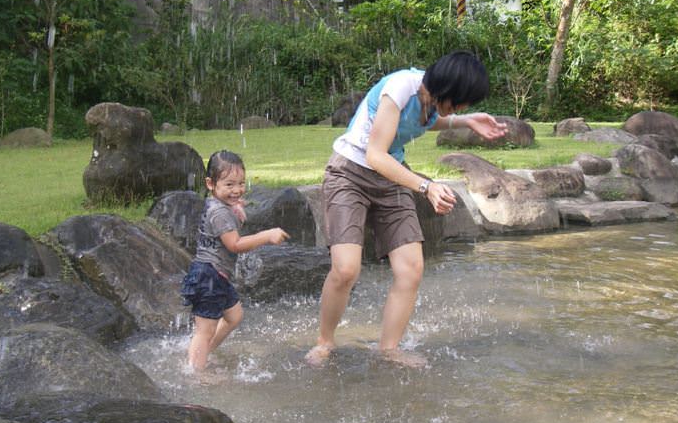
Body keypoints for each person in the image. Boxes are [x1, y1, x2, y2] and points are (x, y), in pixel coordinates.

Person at [306, 51, 507, 367]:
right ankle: (324, 342)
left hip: (392, 176)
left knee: (410, 270)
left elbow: (425, 120)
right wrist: (426, 186)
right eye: (463, 103)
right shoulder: (401, 87)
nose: (465, 107)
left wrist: (464, 121)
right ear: (447, 89)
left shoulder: (432, 98)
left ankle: (389, 350)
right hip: (350, 173)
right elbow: (374, 155)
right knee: (346, 270)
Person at [182, 150, 289, 371]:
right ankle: (195, 373)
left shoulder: (221, 205)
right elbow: (235, 245)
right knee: (204, 330)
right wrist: (266, 236)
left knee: (235, 315)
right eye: (230, 184)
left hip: (217, 276)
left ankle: (203, 354)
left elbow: (228, 213)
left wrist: (235, 206)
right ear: (211, 184)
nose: (237, 190)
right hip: (207, 276)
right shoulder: (218, 213)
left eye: (241, 183)